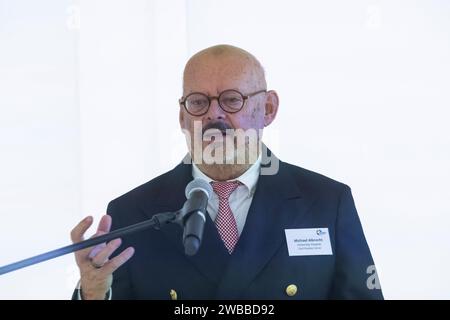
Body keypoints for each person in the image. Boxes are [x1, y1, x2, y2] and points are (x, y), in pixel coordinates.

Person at [70, 44, 383, 300]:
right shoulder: (132, 213)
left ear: (268, 109)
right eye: (198, 102)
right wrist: (94, 294)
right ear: (182, 117)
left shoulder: (327, 203)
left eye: (232, 100)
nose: (213, 115)